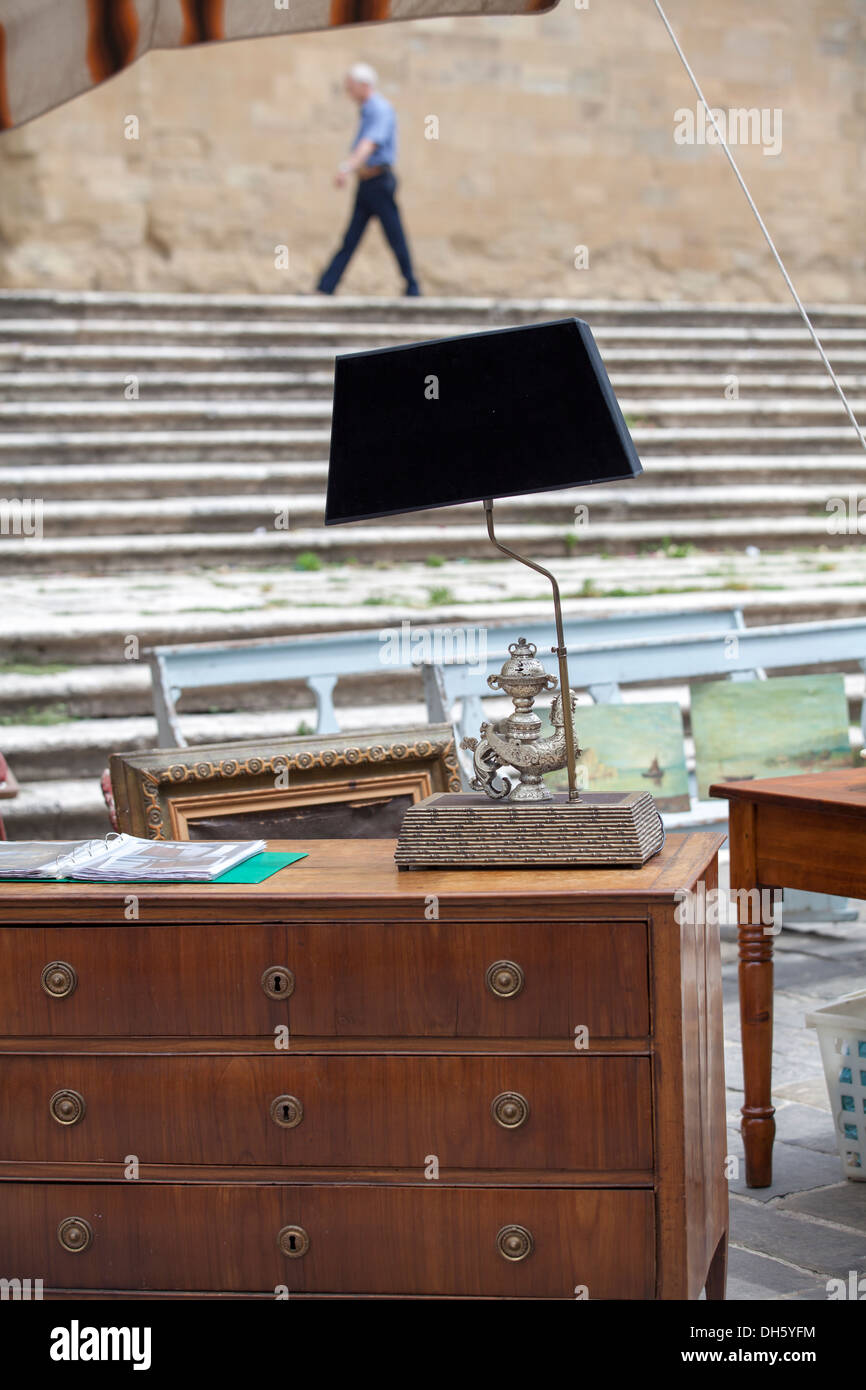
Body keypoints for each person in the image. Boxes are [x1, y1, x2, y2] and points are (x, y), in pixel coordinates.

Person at [316, 63, 420, 297]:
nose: (349, 92)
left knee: (395, 237)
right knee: (351, 238)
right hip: (367, 183)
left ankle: (413, 287)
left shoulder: (379, 109)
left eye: (351, 87)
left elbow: (370, 143)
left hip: (379, 182)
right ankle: (325, 287)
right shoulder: (367, 110)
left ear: (364, 86)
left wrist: (346, 167)